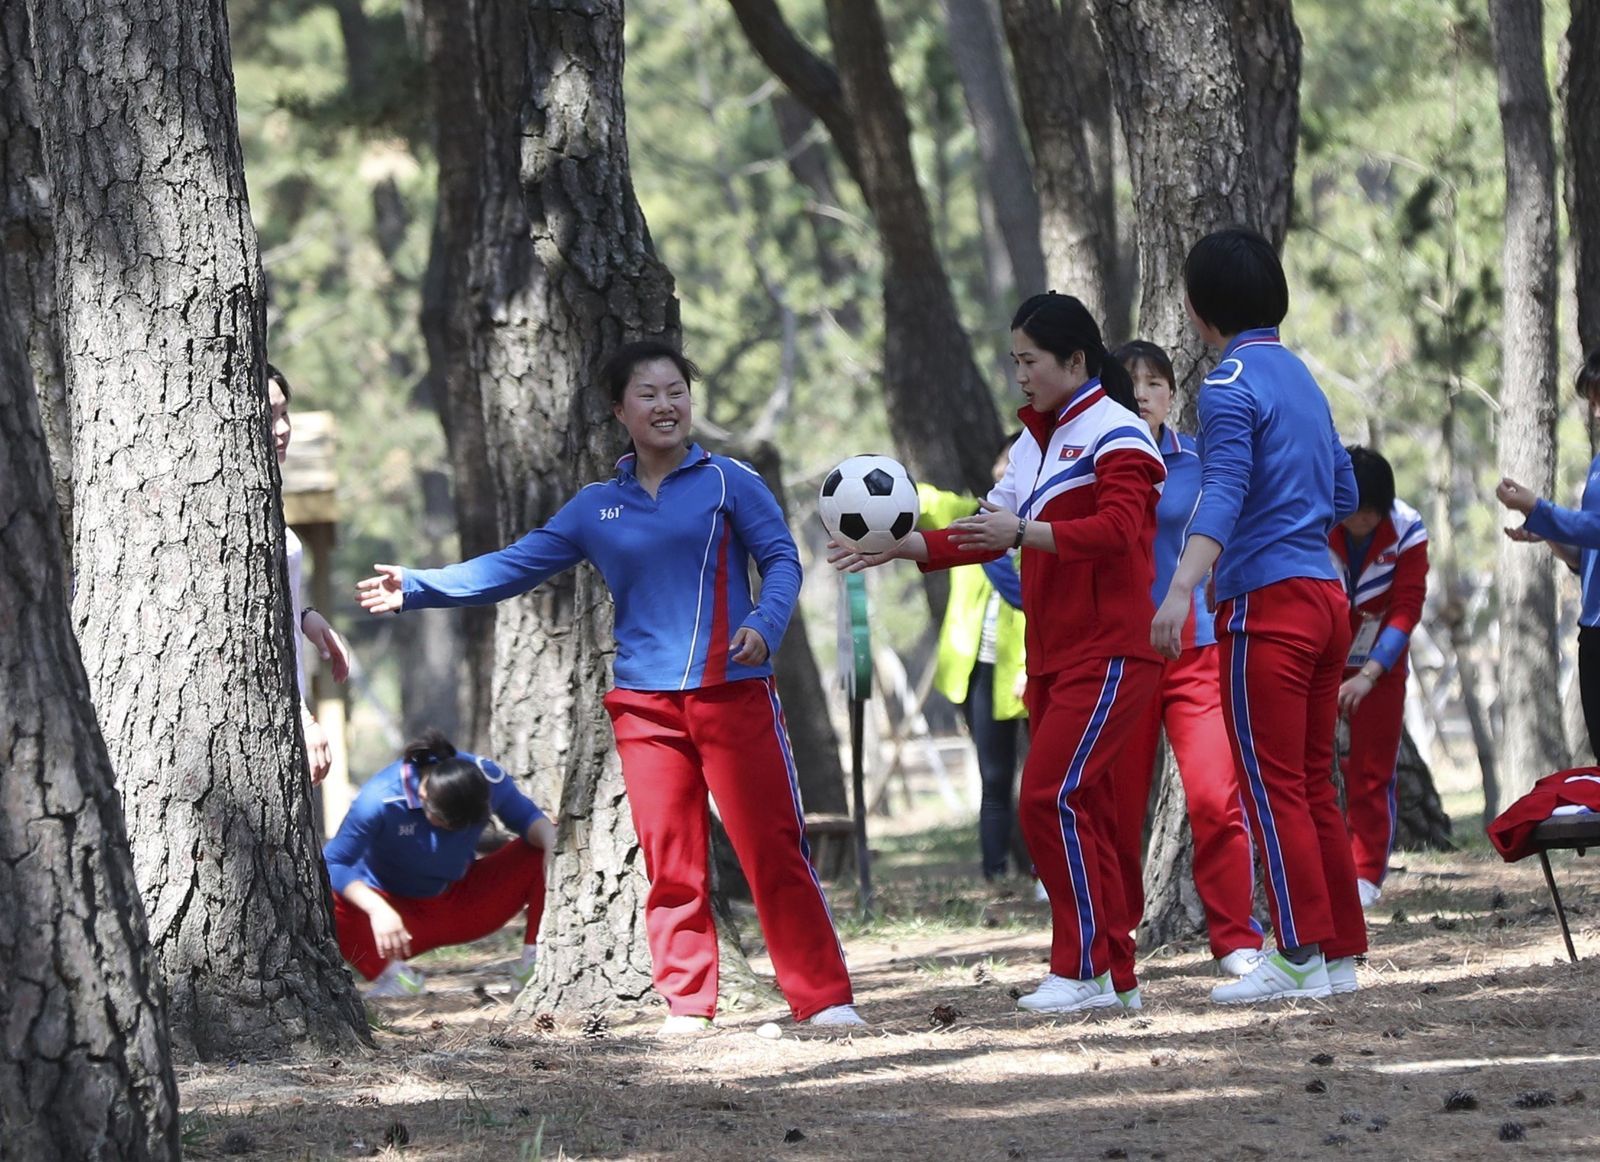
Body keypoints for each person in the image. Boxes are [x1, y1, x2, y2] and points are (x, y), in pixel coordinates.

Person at [356, 340, 861, 1032]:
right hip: (644, 710)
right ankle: (688, 1003)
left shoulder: (729, 482)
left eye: (677, 391)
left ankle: (825, 998)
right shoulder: (597, 507)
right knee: (671, 860)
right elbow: (513, 566)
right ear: (620, 410)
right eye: (648, 394)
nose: (666, 405)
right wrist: (416, 587)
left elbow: (781, 560)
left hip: (734, 692)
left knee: (772, 849)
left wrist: (765, 626)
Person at [833, 292, 1166, 1013]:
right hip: (1050, 659)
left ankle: (1077, 972)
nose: (1019, 373)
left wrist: (1024, 534)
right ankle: (1115, 977)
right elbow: (987, 527)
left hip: (1110, 652)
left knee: (1046, 798)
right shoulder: (1033, 445)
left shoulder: (1121, 436)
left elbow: (1117, 532)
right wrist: (901, 545)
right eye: (1014, 359)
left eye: (1030, 360)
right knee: (1088, 814)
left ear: (1076, 360)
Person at [1151, 227, 1367, 1004]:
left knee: (1273, 786)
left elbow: (1225, 490)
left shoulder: (1228, 383)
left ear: (1198, 309)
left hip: (1268, 605)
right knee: (1313, 784)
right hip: (1327, 597)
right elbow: (1343, 494)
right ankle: (1336, 953)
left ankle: (1297, 954)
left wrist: (1181, 587)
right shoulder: (1302, 377)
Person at [1109, 340, 1265, 978]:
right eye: (1132, 383)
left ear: (1173, 394)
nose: (1143, 392)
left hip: (1197, 646)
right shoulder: (1098, 458)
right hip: (1125, 652)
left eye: (1156, 382)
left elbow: (1229, 527)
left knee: (1214, 796)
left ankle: (1236, 940)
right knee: (1116, 804)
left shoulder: (1200, 458)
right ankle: (1109, 947)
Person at [323, 731, 555, 998]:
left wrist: (551, 844)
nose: (451, 832)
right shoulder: (379, 799)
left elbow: (528, 818)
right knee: (320, 895)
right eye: (445, 822)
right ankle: (394, 977)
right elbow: (333, 862)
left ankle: (536, 964)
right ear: (423, 794)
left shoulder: (488, 777)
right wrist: (376, 909)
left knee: (545, 844)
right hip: (393, 922)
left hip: (461, 901)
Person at [916, 434, 1028, 881]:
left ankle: (1045, 873)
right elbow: (926, 502)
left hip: (1031, 672)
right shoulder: (969, 516)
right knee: (994, 776)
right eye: (1005, 458)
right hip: (978, 673)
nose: (1008, 468)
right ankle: (995, 873)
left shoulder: (1042, 531)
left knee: (1047, 781)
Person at [1329, 446, 1429, 907]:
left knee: (1373, 770)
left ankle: (1366, 873)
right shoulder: (1317, 518)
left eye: (1369, 514)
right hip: (1319, 653)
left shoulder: (1407, 529)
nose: (1359, 523)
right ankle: (1323, 865)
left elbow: (1407, 607)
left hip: (1380, 664)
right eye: (1353, 511)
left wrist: (1369, 673)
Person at [1497, 349, 1600, 758]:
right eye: (1592, 402)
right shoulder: (1597, 465)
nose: (1595, 413)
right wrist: (1547, 532)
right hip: (1592, 627)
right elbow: (1585, 558)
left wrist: (1538, 509)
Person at [268, 364, 351, 784]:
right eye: (269, 416)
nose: (282, 429)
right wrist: (297, 713)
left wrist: (304, 617)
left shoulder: (268, 495)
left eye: (286, 414)